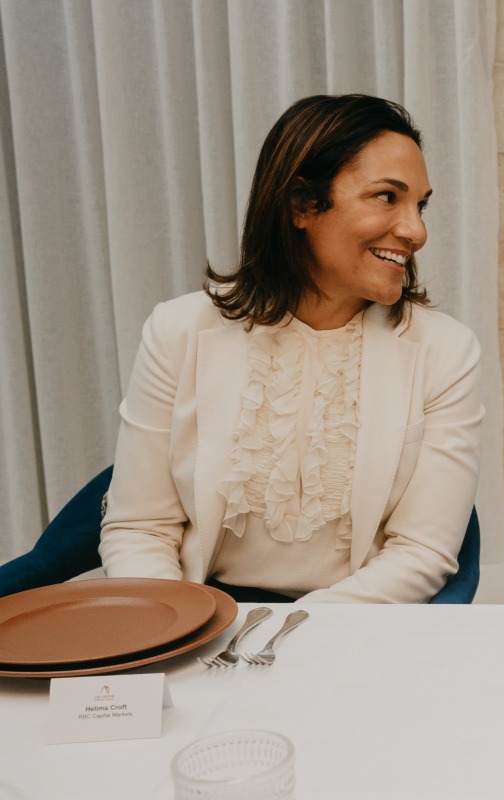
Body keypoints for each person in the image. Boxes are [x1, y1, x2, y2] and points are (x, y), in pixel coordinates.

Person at [99, 94, 483, 603]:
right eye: (388, 197)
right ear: (302, 205)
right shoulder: (178, 330)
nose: (416, 230)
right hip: (200, 624)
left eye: (420, 204)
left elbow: (422, 552)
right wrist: (182, 630)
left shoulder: (446, 351)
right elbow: (139, 529)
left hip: (357, 631)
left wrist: (287, 640)